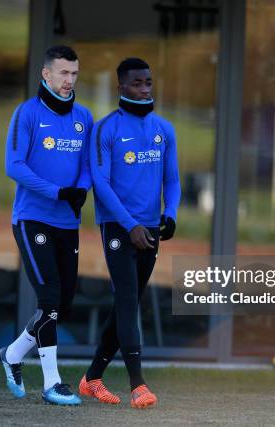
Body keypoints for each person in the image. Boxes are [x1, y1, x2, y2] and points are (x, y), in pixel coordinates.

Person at [80, 57, 180, 408]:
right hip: (119, 229)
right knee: (126, 301)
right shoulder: (105, 129)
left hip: (150, 229)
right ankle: (138, 384)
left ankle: (92, 377)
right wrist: (130, 225)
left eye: (149, 82)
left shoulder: (164, 129)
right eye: (137, 83)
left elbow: (172, 179)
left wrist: (170, 213)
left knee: (127, 304)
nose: (145, 88)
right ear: (121, 86)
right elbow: (100, 185)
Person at [0, 45, 92, 406]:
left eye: (74, 74)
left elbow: (87, 165)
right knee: (49, 299)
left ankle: (12, 355)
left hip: (67, 223)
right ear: (46, 75)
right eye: (63, 73)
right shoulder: (27, 114)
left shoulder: (84, 116)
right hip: (32, 219)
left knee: (61, 307)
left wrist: (81, 189)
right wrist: (57, 191)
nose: (69, 80)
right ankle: (52, 383)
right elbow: (14, 165)